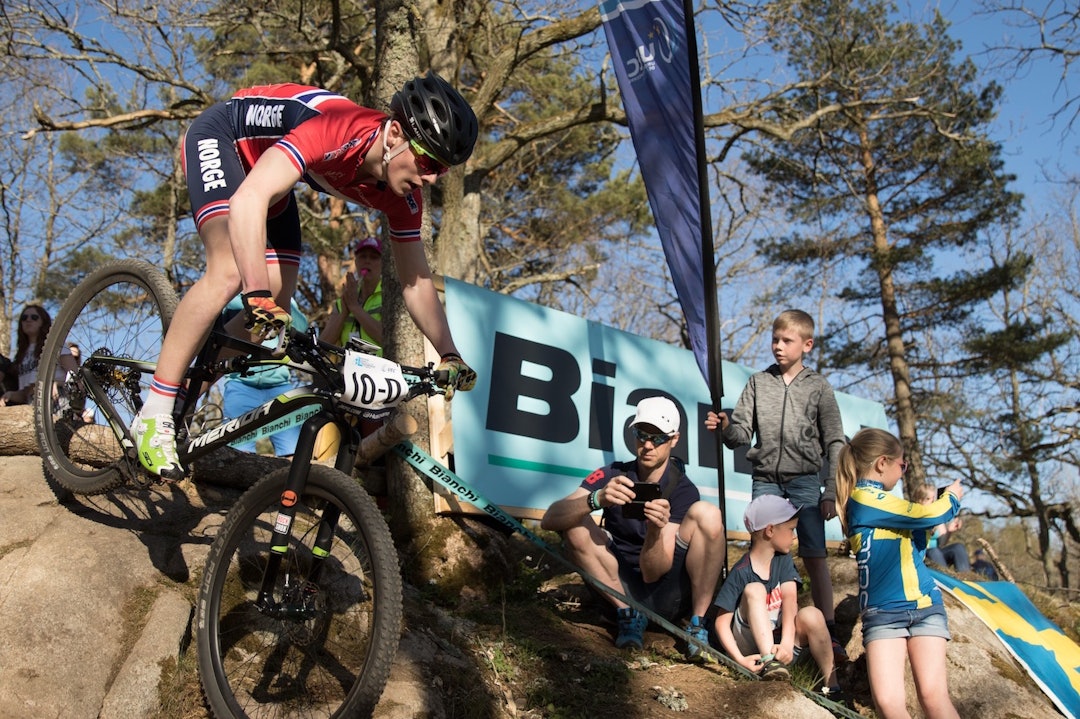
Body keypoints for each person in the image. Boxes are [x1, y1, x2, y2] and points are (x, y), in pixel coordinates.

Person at [131, 70, 480, 480]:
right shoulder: (337, 131)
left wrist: (449, 351)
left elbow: (417, 283)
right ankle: (154, 412)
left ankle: (183, 400)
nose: (431, 178)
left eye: (443, 170)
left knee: (274, 312)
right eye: (427, 160)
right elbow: (251, 197)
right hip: (223, 137)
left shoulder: (404, 196)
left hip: (267, 168)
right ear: (395, 135)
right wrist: (254, 289)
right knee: (229, 271)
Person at [705, 309, 847, 660]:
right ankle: (754, 627)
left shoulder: (819, 387)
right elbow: (740, 434)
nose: (778, 347)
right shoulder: (758, 382)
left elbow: (835, 443)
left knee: (814, 553)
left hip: (805, 482)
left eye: (787, 341)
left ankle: (827, 630)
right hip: (766, 479)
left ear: (807, 345)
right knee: (761, 551)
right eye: (775, 339)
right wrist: (725, 427)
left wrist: (830, 491)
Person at [541, 396, 726, 655]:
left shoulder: (683, 490)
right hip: (616, 591)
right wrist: (596, 499)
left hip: (664, 596)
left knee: (708, 514)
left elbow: (654, 573)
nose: (648, 445)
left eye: (658, 437)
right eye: (641, 434)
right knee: (574, 521)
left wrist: (655, 531)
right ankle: (627, 614)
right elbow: (550, 518)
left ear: (674, 439)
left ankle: (698, 624)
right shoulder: (611, 474)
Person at [835, 427, 962, 719]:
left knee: (934, 698)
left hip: (925, 606)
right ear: (882, 463)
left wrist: (924, 530)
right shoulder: (864, 499)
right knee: (890, 706)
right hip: (883, 614)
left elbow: (916, 547)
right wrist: (952, 498)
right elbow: (929, 514)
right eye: (901, 465)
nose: (903, 472)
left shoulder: (890, 506)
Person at [712, 496, 843, 700]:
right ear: (770, 530)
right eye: (791, 529)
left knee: (812, 614)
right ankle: (770, 664)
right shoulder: (741, 571)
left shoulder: (783, 561)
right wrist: (738, 659)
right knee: (754, 589)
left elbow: (790, 601)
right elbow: (721, 622)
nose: (794, 537)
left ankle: (831, 686)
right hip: (752, 648)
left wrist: (787, 643)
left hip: (783, 645)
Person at [220, 296, 309, 457]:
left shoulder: (287, 297)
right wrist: (265, 296)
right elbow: (229, 304)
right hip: (240, 384)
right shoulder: (237, 294)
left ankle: (289, 481)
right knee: (238, 452)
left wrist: (282, 300)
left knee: (293, 451)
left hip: (280, 386)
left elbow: (301, 326)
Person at [322, 236, 384, 353]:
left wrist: (355, 308)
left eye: (374, 257)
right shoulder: (343, 302)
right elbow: (322, 346)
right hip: (347, 370)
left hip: (382, 370)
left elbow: (387, 338)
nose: (367, 261)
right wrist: (344, 313)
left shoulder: (389, 297)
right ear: (356, 262)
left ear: (384, 263)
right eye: (362, 256)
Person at [2, 304, 52, 406]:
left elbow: (74, 375)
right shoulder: (22, 356)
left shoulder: (53, 346)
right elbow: (26, 394)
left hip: (55, 400)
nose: (28, 320)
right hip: (33, 406)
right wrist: (10, 395)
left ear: (43, 322)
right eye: (24, 318)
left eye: (34, 317)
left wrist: (55, 384)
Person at [915, 483, 971, 573]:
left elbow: (942, 544)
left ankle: (966, 579)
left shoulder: (937, 517)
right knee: (934, 551)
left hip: (937, 556)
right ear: (920, 500)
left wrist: (949, 531)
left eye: (934, 499)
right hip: (923, 556)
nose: (933, 502)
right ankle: (946, 579)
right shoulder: (915, 516)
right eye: (929, 499)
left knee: (958, 547)